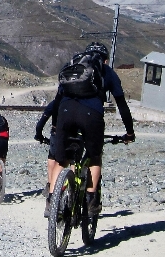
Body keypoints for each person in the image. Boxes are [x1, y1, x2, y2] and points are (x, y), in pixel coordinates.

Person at [45, 42, 135, 218]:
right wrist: (130, 132)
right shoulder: (106, 71)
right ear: (106, 60)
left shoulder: (71, 67)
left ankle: (51, 203)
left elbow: (57, 99)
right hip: (91, 114)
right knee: (95, 157)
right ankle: (91, 203)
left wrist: (56, 125)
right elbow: (122, 104)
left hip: (65, 111)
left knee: (61, 160)